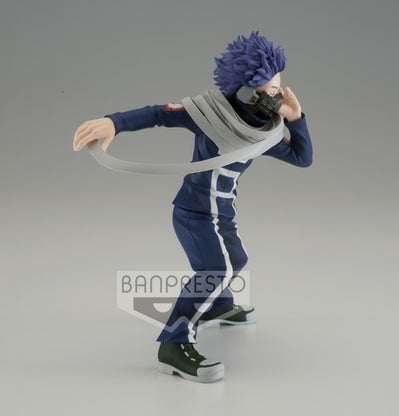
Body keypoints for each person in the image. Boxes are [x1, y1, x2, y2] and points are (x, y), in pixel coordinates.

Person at [73, 31, 313, 383]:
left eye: (278, 87)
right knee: (215, 270)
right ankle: (173, 344)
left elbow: (302, 158)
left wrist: (295, 117)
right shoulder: (208, 115)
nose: (277, 96)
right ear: (246, 91)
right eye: (270, 89)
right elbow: (158, 114)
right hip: (195, 213)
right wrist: (114, 123)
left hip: (222, 212)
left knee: (236, 261)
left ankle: (216, 306)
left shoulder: (260, 133)